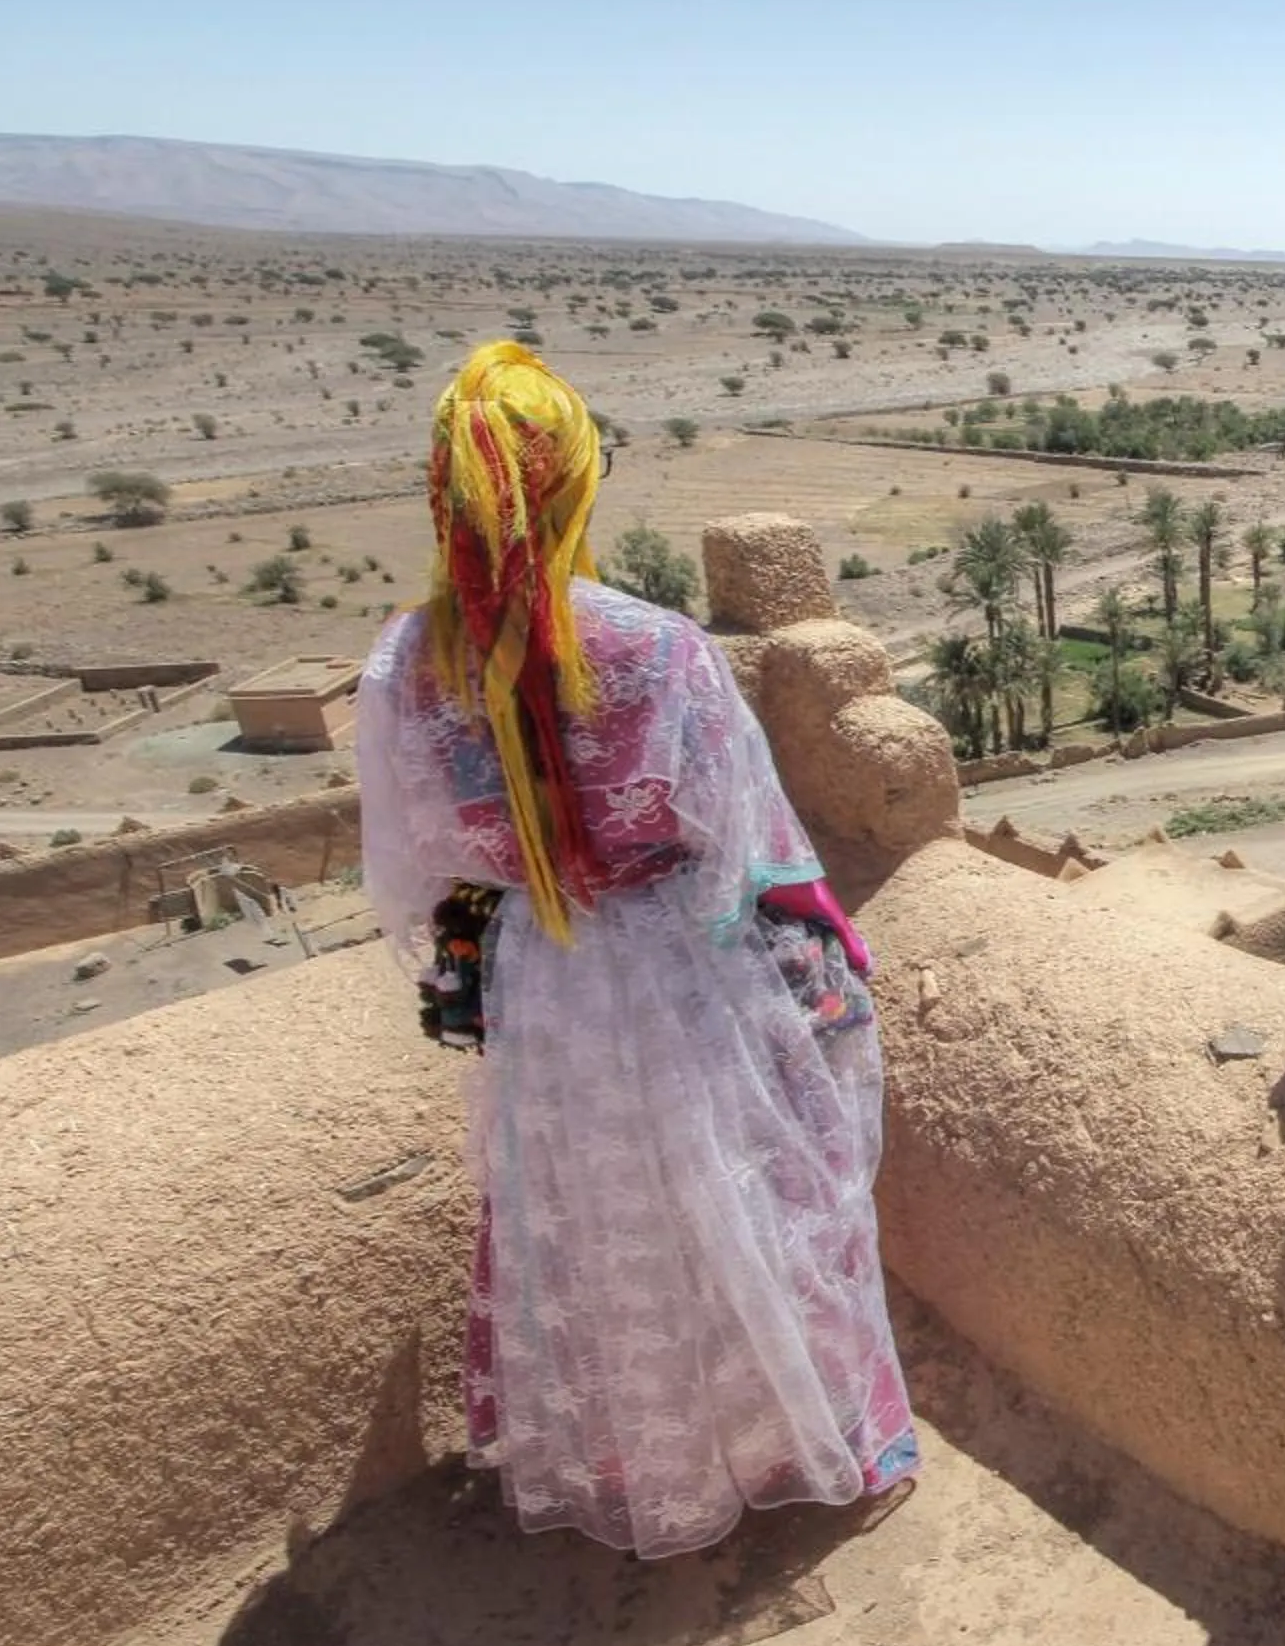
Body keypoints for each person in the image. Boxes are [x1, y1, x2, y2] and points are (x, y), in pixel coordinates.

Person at [356, 342, 916, 1558]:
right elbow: (741, 851)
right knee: (747, 1200)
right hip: (679, 969)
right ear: (572, 488)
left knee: (591, 1222)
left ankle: (642, 1465)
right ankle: (784, 1438)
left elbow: (413, 869)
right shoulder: (656, 648)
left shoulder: (406, 665)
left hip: (541, 983)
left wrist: (525, 910)